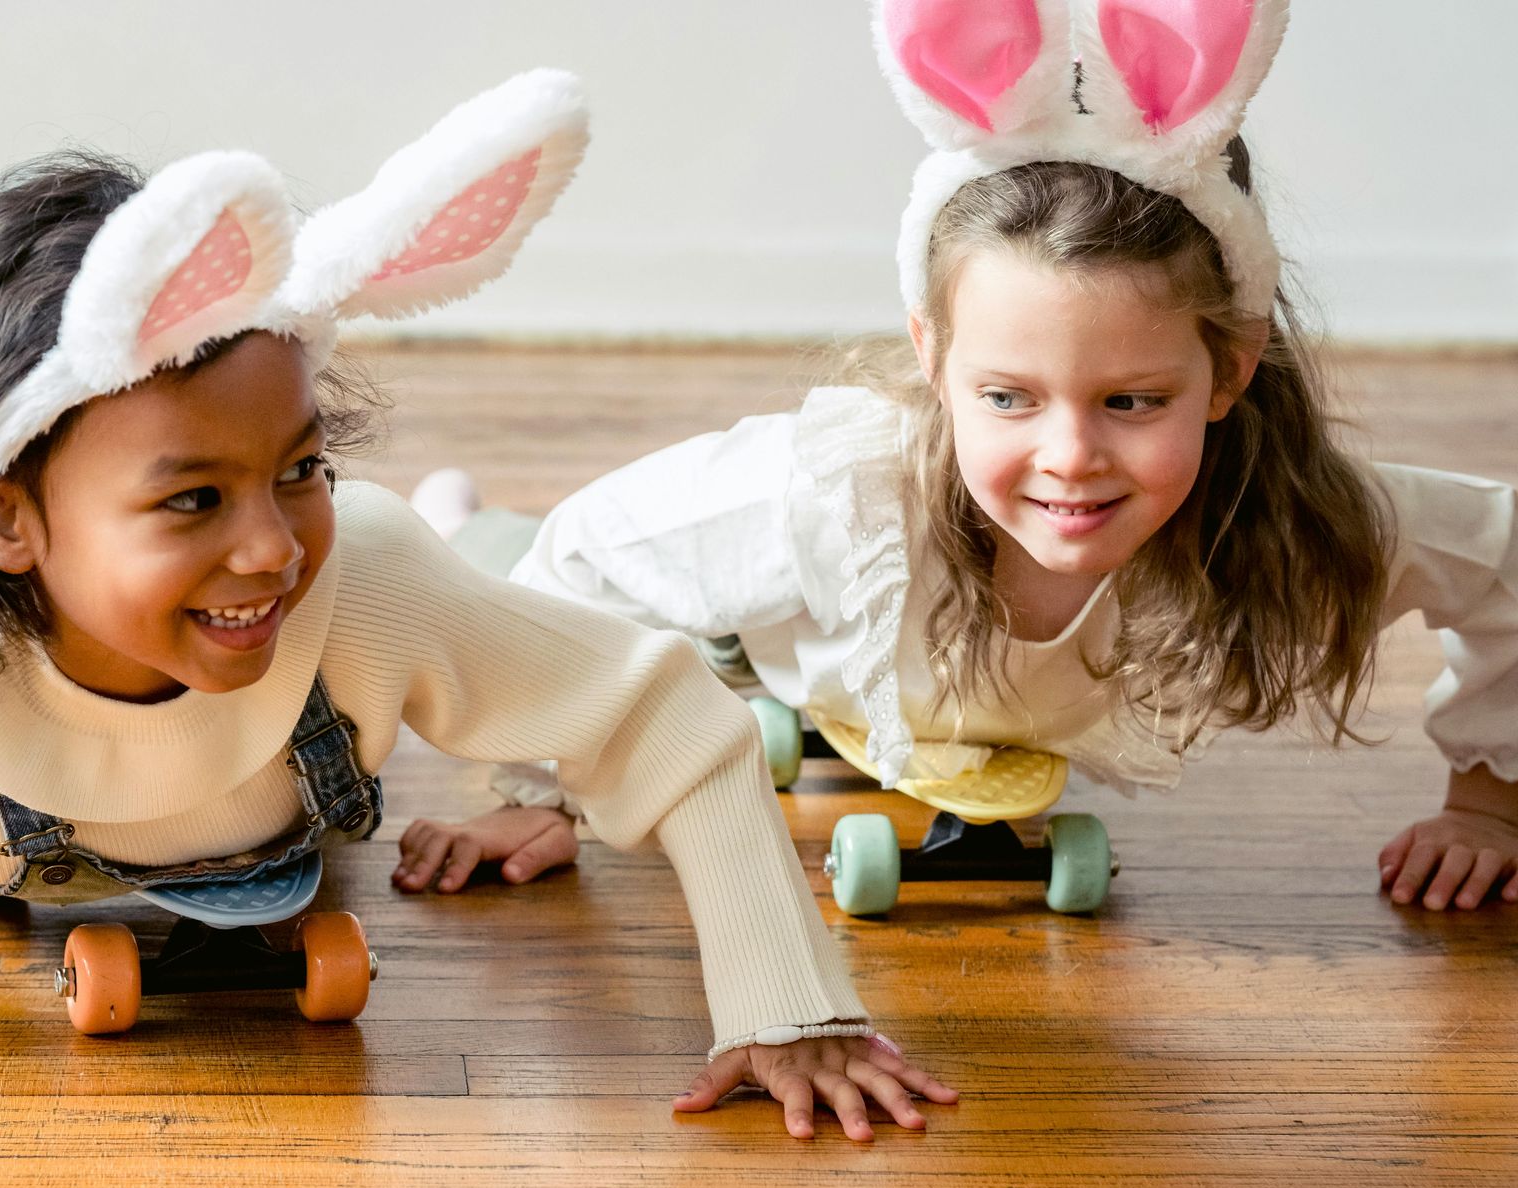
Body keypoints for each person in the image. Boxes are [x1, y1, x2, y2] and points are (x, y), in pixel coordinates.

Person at [0, 71, 954, 1141]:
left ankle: (468, 524)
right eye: (193, 500)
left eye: (297, 467)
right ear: (2, 516)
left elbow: (677, 719)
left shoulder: (356, 579)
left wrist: (790, 1006)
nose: (269, 548)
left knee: (424, 563)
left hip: (281, 817)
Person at [408, 0, 1518, 994]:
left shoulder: (1294, 510)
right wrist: (539, 791)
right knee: (498, 579)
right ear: (932, 359)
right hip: (751, 632)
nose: (1071, 456)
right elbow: (596, 552)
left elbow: (1502, 557)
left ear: (1228, 369)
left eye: (1131, 400)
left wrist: (1487, 797)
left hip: (904, 680)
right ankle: (455, 520)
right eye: (1008, 396)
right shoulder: (831, 498)